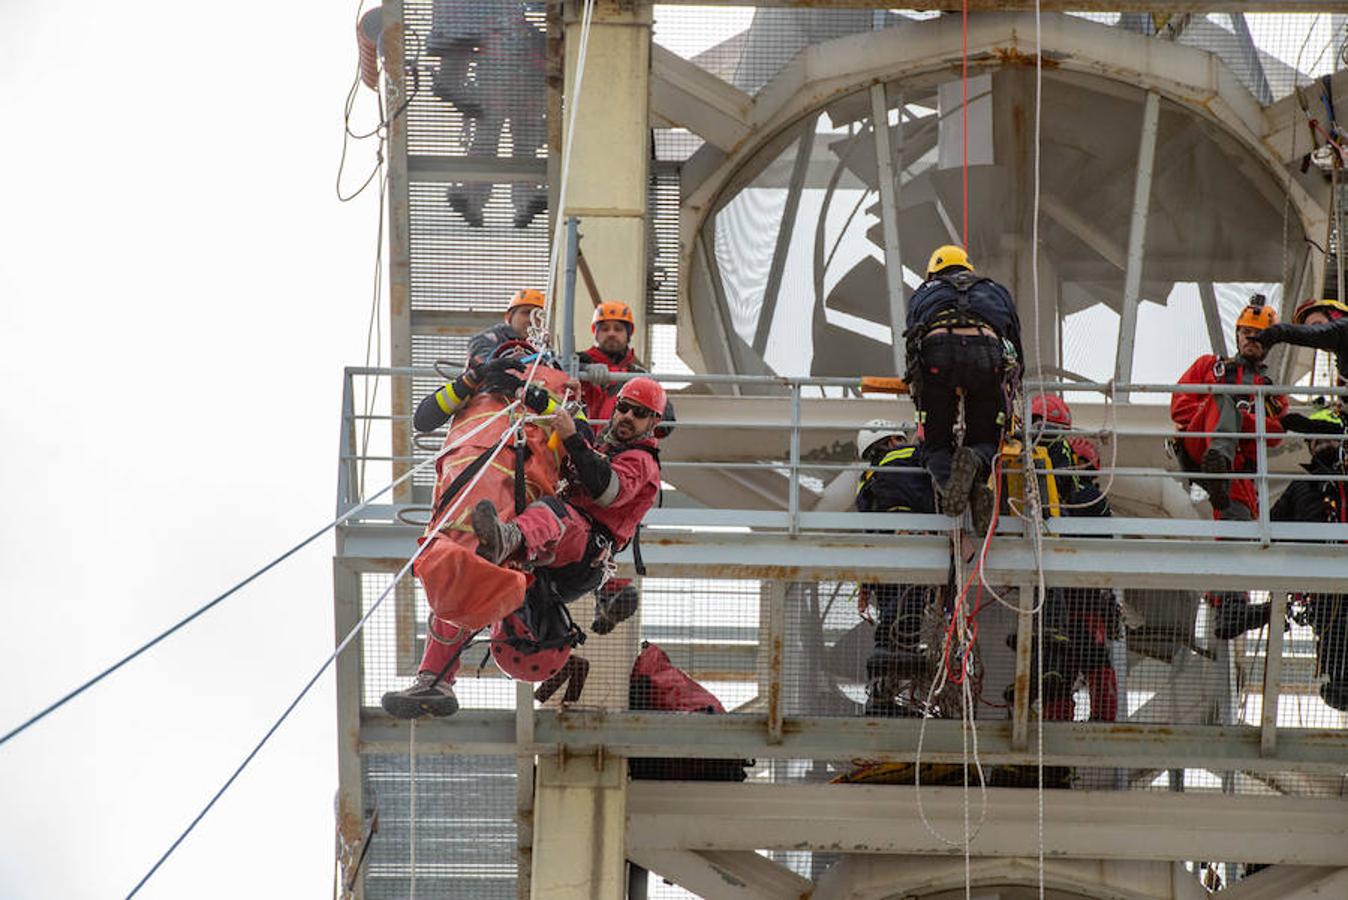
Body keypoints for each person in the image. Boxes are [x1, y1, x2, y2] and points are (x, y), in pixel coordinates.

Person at [471, 376, 666, 580]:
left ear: (654, 421)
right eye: (623, 407)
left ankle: (505, 539)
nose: (628, 416)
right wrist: (575, 405)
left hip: (585, 550)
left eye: (639, 413)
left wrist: (572, 437)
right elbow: (585, 457)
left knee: (551, 511)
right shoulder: (608, 448)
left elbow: (606, 491)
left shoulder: (642, 462)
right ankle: (506, 543)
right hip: (567, 544)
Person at [905, 245, 1023, 534]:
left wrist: (918, 386)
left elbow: (912, 339)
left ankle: (954, 486)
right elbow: (1015, 342)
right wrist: (1014, 382)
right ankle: (974, 466)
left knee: (935, 445)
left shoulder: (924, 291)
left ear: (933, 271)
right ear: (967, 269)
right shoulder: (995, 290)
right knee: (985, 437)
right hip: (986, 354)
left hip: (938, 354)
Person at [1170, 294, 1287, 521]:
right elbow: (1179, 407)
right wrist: (1218, 412)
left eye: (1259, 335)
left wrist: (1238, 420)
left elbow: (1275, 435)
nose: (1252, 338)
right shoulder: (1209, 366)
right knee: (1220, 396)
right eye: (1246, 333)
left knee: (1237, 519)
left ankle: (1219, 469)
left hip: (1239, 465)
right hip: (1199, 445)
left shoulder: (1271, 392)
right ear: (1237, 335)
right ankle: (1218, 459)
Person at [852, 419, 937, 717]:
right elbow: (934, 455)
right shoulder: (902, 457)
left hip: (881, 556)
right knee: (908, 605)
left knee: (895, 608)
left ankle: (881, 694)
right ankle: (894, 660)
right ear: (890, 442)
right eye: (901, 439)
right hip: (908, 545)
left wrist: (865, 582)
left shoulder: (866, 478)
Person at [1270, 406, 1348, 710]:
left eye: (1330, 442)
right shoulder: (1301, 486)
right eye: (1318, 443)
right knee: (1333, 630)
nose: (1325, 447)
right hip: (1320, 579)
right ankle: (1334, 679)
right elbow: (1273, 526)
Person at [1254, 297, 1348, 385]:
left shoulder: (1344, 327)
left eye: (1318, 324)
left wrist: (1279, 332)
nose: (1314, 335)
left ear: (1335, 314)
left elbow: (1320, 333)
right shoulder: (1343, 351)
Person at [466, 289, 545, 368]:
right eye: (526, 313)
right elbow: (482, 359)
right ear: (509, 316)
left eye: (538, 315)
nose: (531, 320)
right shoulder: (490, 338)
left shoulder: (543, 345)